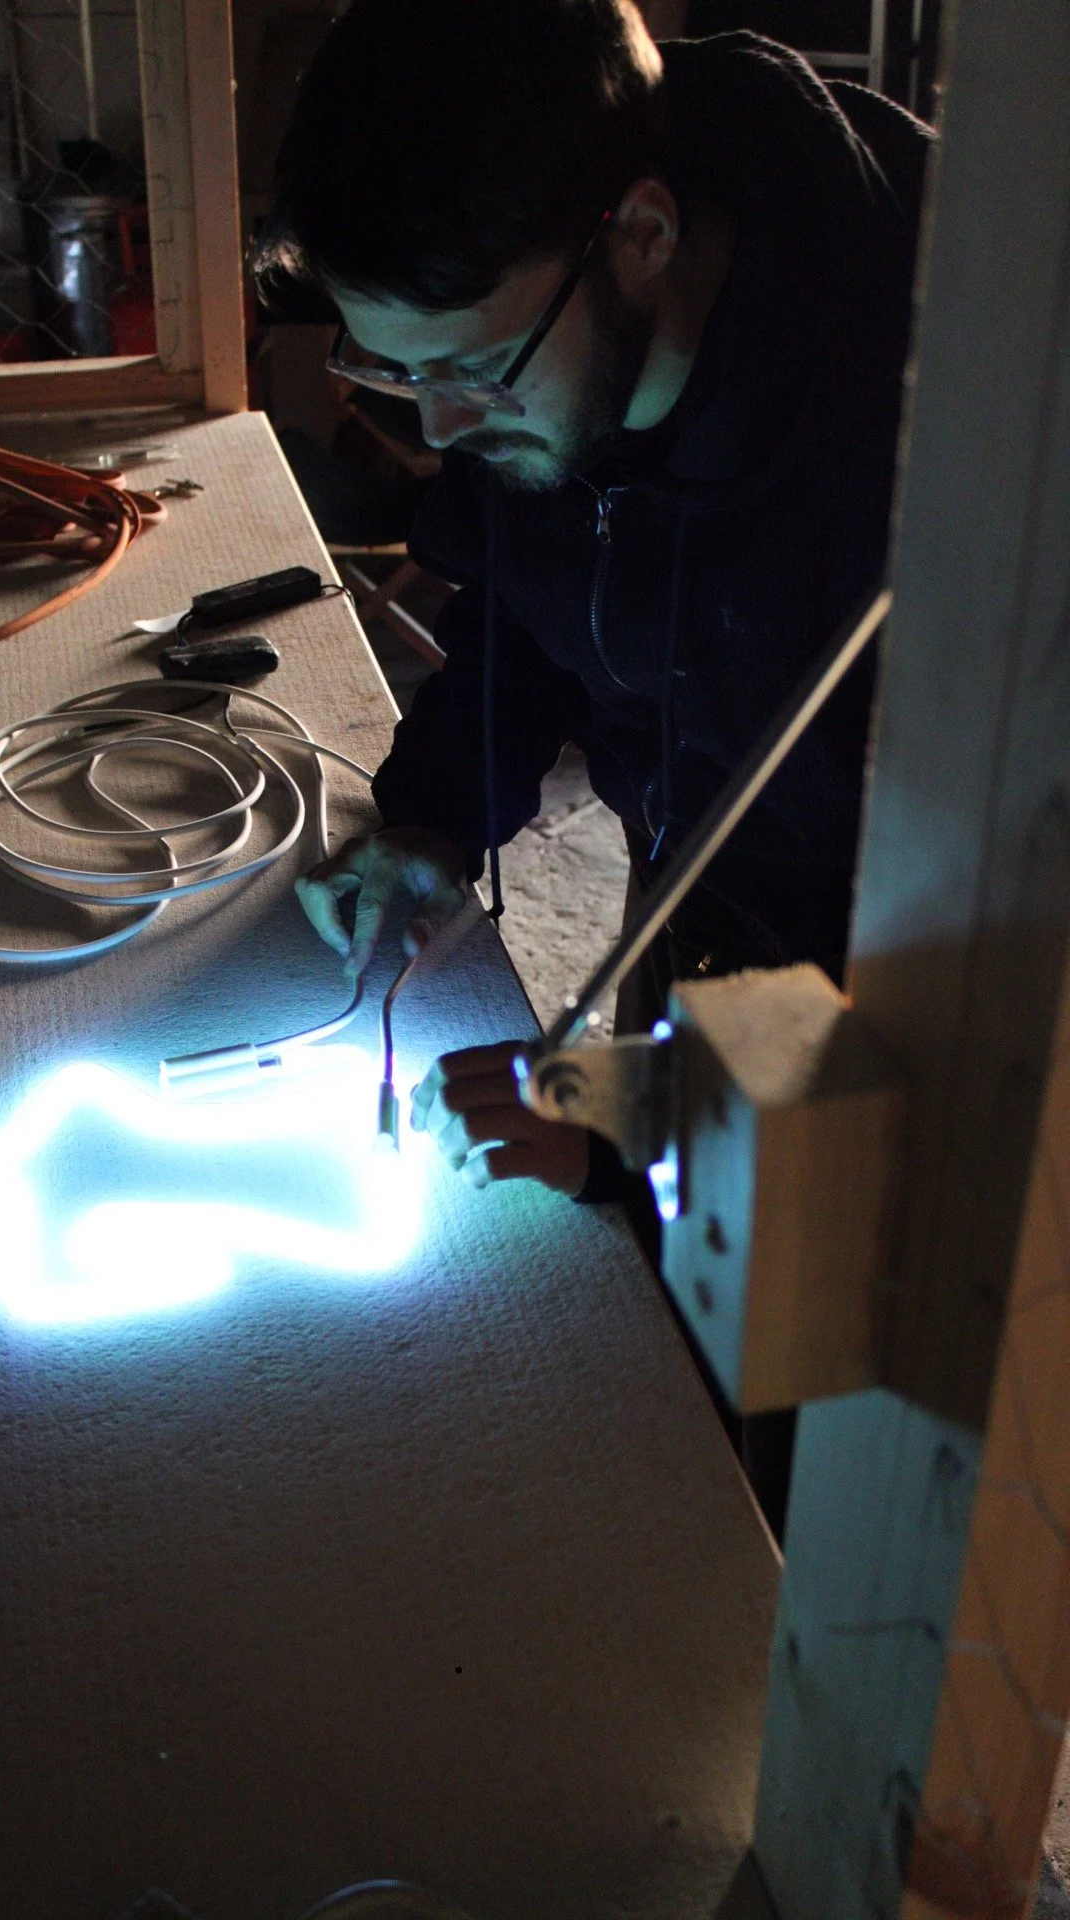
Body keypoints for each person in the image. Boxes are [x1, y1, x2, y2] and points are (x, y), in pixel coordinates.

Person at [254, 0, 931, 1210]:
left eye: (465, 370)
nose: (439, 428)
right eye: (393, 369)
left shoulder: (944, 420)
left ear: (641, 235)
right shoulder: (544, 334)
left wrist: (647, 1117)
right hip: (695, 892)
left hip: (908, 1010)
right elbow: (525, 596)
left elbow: (977, 974)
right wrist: (434, 818)